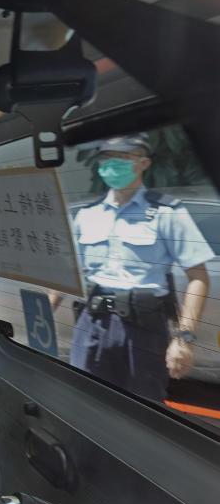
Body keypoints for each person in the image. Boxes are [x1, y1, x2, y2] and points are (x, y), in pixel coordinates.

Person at [66, 134, 213, 402]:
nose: (112, 164)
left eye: (122, 158)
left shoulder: (167, 213)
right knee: (84, 401)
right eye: (107, 158)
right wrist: (42, 311)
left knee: (142, 410)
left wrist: (184, 338)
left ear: (143, 162)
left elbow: (198, 276)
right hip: (91, 322)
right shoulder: (87, 216)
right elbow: (69, 274)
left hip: (143, 328)